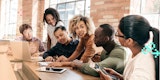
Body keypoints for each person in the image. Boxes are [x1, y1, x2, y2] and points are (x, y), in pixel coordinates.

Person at [48, 24, 128, 77]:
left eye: (96, 36)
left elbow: (98, 69)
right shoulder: (105, 52)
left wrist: (77, 64)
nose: (93, 39)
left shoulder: (119, 52)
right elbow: (98, 65)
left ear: (105, 39)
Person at [98, 15, 159, 80]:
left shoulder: (144, 63)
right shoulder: (135, 53)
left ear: (129, 41)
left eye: (118, 34)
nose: (116, 37)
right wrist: (119, 76)